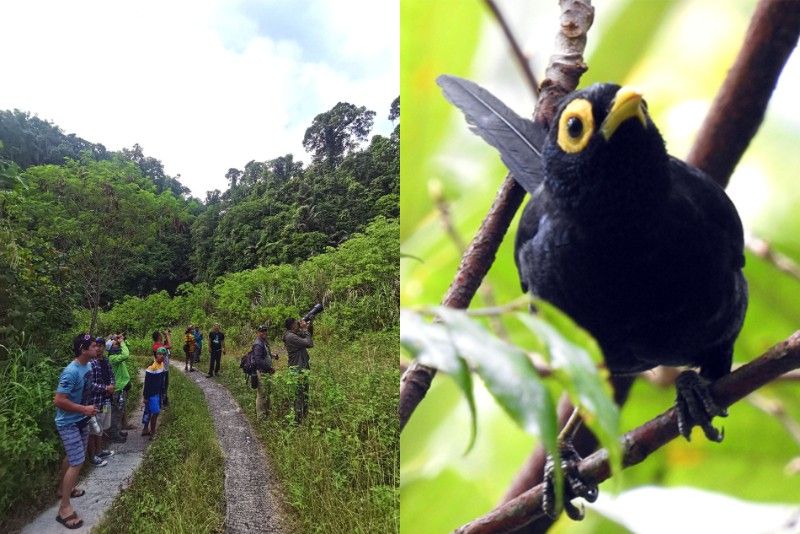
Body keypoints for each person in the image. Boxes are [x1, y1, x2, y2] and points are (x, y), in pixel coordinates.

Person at [53, 334, 99, 529]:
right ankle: (64, 508)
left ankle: (63, 489)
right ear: (83, 349)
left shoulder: (87, 366)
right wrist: (83, 409)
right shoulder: (70, 372)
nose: (97, 348)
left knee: (72, 457)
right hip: (69, 423)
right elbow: (59, 400)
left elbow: (87, 388)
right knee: (77, 461)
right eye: (94, 346)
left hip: (82, 420)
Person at [86, 337, 118, 463]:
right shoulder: (91, 363)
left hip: (106, 401)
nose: (98, 348)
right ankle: (93, 455)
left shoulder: (106, 361)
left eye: (101, 346)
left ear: (104, 347)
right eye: (96, 346)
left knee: (102, 427)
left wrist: (112, 386)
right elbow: (90, 384)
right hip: (95, 402)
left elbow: (112, 375)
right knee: (94, 429)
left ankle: (100, 451)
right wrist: (106, 388)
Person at [283, 317, 314, 423]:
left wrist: (309, 325)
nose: (298, 324)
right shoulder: (291, 337)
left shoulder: (294, 333)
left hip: (302, 367)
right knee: (299, 395)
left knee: (305, 393)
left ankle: (304, 416)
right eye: (296, 323)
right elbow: (309, 343)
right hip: (297, 369)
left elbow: (309, 336)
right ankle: (297, 420)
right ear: (292, 326)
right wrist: (305, 330)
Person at [108, 335, 134, 441]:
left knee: (121, 409)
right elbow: (126, 354)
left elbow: (128, 348)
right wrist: (121, 342)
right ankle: (114, 434)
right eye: (115, 344)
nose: (117, 345)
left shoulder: (117, 355)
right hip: (117, 388)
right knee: (117, 412)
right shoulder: (113, 358)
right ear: (110, 348)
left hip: (122, 386)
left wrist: (123, 340)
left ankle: (118, 431)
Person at [142, 348, 167, 439]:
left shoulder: (162, 365)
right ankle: (152, 433)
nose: (162, 356)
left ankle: (145, 429)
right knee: (155, 412)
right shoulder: (152, 367)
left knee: (148, 411)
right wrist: (145, 396)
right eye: (160, 354)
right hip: (152, 393)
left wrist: (163, 392)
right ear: (156, 355)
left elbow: (162, 381)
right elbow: (147, 383)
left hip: (158, 392)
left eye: (164, 355)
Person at [252, 324, 275, 418]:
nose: (264, 332)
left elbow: (265, 354)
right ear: (257, 333)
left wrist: (273, 356)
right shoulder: (258, 344)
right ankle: (261, 417)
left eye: (265, 330)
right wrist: (269, 368)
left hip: (267, 371)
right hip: (262, 372)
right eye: (261, 331)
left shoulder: (264, 342)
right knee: (261, 394)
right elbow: (258, 361)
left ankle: (266, 412)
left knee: (267, 393)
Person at [152, 330, 172, 405]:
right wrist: (167, 334)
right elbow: (169, 346)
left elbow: (166, 345)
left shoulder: (159, 345)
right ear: (158, 337)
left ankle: (164, 400)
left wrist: (167, 336)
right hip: (161, 369)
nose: (162, 336)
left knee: (165, 385)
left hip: (163, 369)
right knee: (163, 385)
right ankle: (161, 402)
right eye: (161, 335)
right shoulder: (157, 346)